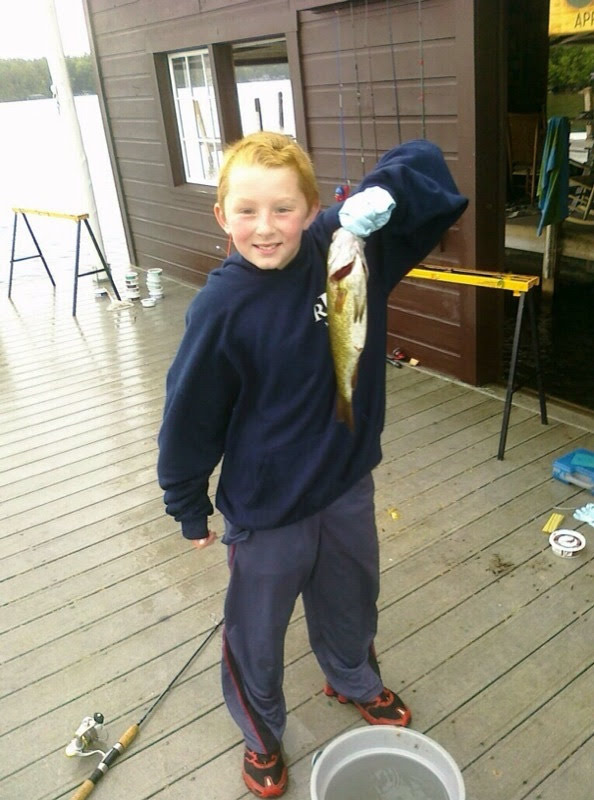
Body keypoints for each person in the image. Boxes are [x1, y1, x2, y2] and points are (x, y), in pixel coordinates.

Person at [157, 131, 468, 798]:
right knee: (256, 633)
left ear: (314, 208)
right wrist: (186, 502)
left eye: (283, 209)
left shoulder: (347, 245)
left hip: (346, 483)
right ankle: (261, 732)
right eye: (247, 211)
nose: (266, 227)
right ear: (221, 216)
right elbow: (189, 414)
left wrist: (381, 197)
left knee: (351, 596)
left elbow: (426, 167)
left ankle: (351, 676)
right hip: (266, 509)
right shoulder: (221, 307)